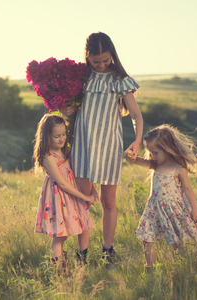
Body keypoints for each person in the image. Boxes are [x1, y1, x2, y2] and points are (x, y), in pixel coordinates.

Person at [60, 32, 143, 265]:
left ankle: (108, 250)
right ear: (87, 57)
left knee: (108, 202)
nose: (101, 64)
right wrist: (62, 108)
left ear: (112, 54)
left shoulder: (120, 79)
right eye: (96, 61)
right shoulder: (80, 77)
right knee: (83, 201)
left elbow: (135, 114)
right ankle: (82, 253)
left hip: (109, 147)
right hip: (83, 146)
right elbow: (66, 107)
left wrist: (137, 141)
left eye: (106, 60)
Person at [126, 124, 197, 273]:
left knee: (175, 240)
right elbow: (136, 161)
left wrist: (195, 209)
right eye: (151, 152)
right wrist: (131, 156)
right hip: (153, 209)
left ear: (167, 149)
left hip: (172, 210)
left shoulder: (179, 169)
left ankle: (179, 267)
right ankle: (150, 270)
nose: (152, 156)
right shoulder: (155, 164)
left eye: (155, 152)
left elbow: (188, 190)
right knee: (146, 238)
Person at [33, 114, 98, 272]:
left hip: (73, 194)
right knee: (60, 235)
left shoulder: (65, 150)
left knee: (84, 225)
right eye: (56, 136)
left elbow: (76, 172)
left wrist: (93, 189)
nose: (62, 139)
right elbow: (62, 183)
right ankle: (57, 269)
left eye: (64, 134)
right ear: (46, 136)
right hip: (60, 197)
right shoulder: (48, 156)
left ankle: (83, 259)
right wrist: (84, 197)